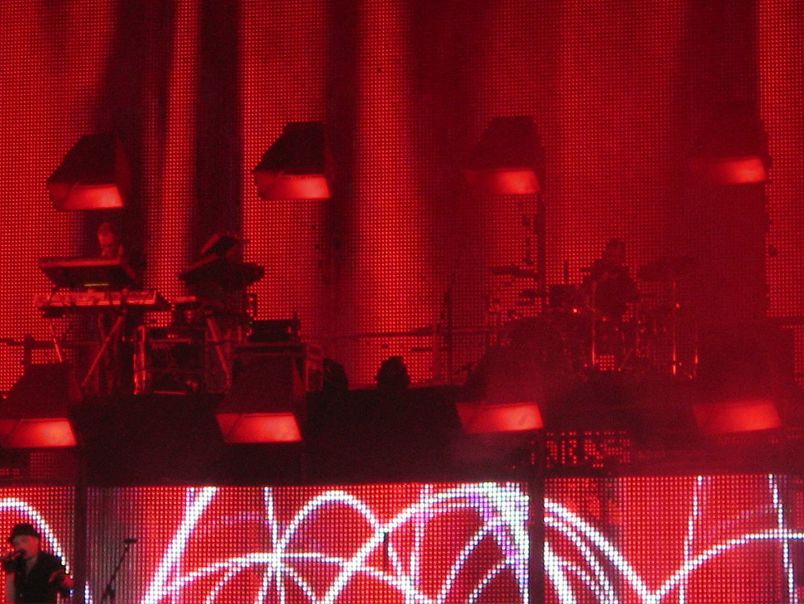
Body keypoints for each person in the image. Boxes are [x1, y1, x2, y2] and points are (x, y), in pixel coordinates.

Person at [2, 524, 73, 604]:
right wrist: (10, 572)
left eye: (24, 540)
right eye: (16, 544)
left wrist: (62, 578)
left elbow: (68, 587)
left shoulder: (51, 562)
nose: (20, 546)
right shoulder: (17, 564)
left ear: (36, 540)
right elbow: (10, 600)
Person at [582, 238, 638, 321]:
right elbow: (585, 292)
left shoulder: (624, 277)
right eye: (611, 256)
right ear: (605, 255)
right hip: (595, 320)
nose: (614, 260)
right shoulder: (597, 272)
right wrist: (600, 280)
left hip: (615, 320)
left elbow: (634, 296)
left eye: (618, 257)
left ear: (622, 258)